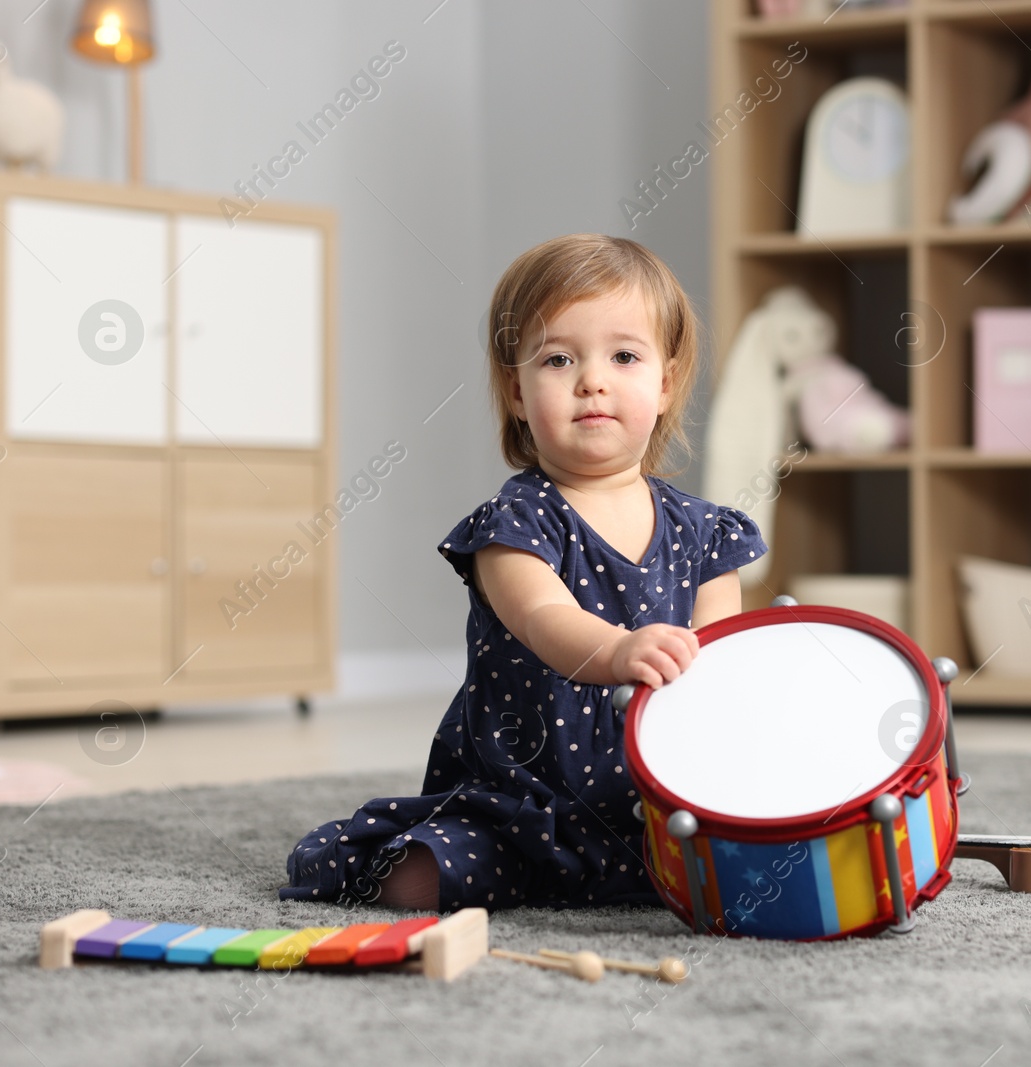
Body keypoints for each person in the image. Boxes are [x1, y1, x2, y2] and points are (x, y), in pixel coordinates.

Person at [280, 233, 768, 913]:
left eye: (624, 356)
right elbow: (545, 619)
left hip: (654, 799)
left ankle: (639, 866)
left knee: (771, 849)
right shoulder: (515, 522)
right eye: (559, 358)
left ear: (666, 383)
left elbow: (719, 658)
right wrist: (622, 649)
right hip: (523, 803)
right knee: (431, 874)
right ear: (516, 390)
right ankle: (436, 867)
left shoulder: (708, 533)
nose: (592, 379)